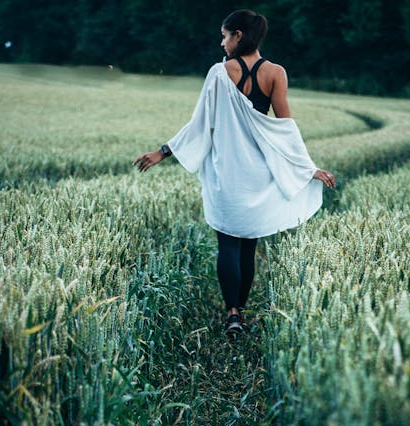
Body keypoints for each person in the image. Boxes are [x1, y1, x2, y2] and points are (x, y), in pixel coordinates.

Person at [134, 9, 336, 337]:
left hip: (226, 172)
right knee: (248, 244)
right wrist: (306, 169)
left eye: (225, 35)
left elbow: (200, 123)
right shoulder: (275, 73)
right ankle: (240, 314)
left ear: (238, 35)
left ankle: (231, 314)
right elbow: (284, 129)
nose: (222, 42)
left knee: (227, 243)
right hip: (258, 174)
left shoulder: (218, 73)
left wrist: (163, 151)